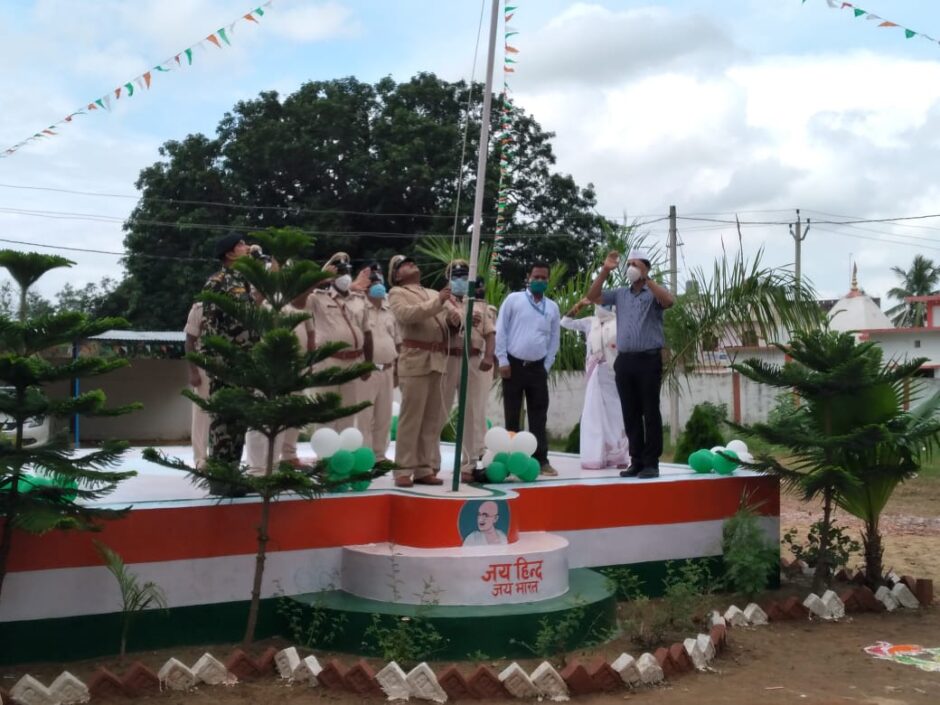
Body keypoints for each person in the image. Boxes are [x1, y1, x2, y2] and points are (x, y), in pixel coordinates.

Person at [587, 248, 674, 479]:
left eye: (635, 264)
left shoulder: (653, 292)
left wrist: (647, 278)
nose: (630, 268)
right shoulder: (621, 294)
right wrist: (605, 269)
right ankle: (635, 460)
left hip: (648, 358)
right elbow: (593, 296)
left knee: (650, 410)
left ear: (644, 267)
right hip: (625, 360)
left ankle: (651, 462)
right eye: (629, 264)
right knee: (630, 411)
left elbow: (668, 300)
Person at [201, 233, 261, 495]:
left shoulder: (246, 282)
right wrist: (214, 361)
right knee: (223, 423)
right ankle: (219, 479)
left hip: (246, 362)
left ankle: (233, 476)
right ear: (228, 253)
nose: (247, 247)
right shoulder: (217, 282)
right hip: (226, 362)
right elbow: (209, 324)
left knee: (239, 422)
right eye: (240, 245)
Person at [387, 254, 451, 487]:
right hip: (414, 358)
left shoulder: (433, 293)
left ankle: (425, 467)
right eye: (403, 264)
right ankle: (403, 469)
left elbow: (446, 320)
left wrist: (456, 319)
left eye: (412, 262)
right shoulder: (397, 293)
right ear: (396, 275)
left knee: (431, 419)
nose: (411, 264)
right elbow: (407, 315)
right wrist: (439, 302)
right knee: (411, 417)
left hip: (437, 358)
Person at [495, 262, 561, 476]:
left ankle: (541, 459)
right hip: (513, 366)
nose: (540, 281)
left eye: (544, 278)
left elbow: (554, 339)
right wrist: (502, 360)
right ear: (528, 277)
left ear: (548, 280)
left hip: (537, 368)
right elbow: (501, 329)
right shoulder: (514, 299)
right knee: (512, 415)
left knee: (539, 416)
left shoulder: (552, 307)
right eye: (536, 277)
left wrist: (547, 365)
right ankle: (509, 460)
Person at [441, 260, 496, 481]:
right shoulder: (443, 302)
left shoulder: (480, 305)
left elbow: (490, 333)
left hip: (473, 359)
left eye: (465, 277)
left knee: (473, 412)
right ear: (449, 279)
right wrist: (464, 317)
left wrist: (490, 356)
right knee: (438, 411)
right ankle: (427, 463)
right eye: (456, 277)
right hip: (447, 359)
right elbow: (449, 324)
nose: (460, 281)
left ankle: (469, 463)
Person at [306, 252, 373, 434]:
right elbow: (298, 297)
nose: (344, 276)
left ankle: (344, 457)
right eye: (339, 272)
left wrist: (368, 363)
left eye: (346, 271)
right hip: (328, 362)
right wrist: (320, 279)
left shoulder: (359, 299)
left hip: (353, 362)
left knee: (348, 413)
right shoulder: (317, 297)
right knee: (325, 412)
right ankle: (325, 459)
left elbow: (367, 333)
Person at [561, 298, 629, 470]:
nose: (603, 306)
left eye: (607, 302)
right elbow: (565, 322)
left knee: (616, 415)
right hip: (595, 373)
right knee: (594, 415)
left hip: (614, 374)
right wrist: (581, 304)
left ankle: (619, 455)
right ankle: (595, 457)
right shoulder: (590, 322)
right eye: (601, 302)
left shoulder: (620, 322)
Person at [357, 268, 400, 462]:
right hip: (367, 369)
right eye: (373, 281)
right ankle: (364, 456)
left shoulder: (389, 308)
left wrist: (398, 369)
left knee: (384, 417)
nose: (378, 284)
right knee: (364, 417)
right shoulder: (358, 306)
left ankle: (379, 456)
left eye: (380, 280)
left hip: (388, 368)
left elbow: (398, 340)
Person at [183, 301, 209, 470]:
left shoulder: (239, 305)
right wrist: (193, 371)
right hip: (204, 366)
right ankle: (201, 459)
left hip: (229, 366)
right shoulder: (199, 309)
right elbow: (189, 342)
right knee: (201, 415)